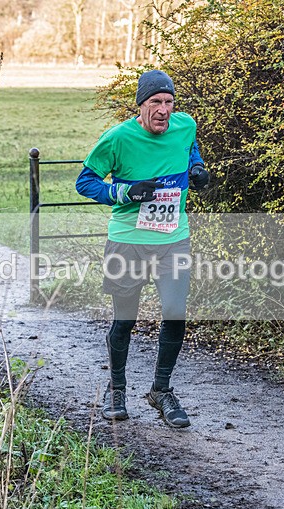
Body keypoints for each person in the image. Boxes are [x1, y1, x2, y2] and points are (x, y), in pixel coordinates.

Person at [75, 69, 211, 428]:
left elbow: (190, 149)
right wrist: (124, 192)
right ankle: (116, 390)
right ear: (141, 105)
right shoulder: (118, 138)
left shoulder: (185, 125)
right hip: (128, 241)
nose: (163, 110)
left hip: (172, 239)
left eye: (169, 102)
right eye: (155, 102)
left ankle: (161, 391)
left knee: (175, 312)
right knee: (125, 320)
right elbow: (85, 182)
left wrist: (197, 168)